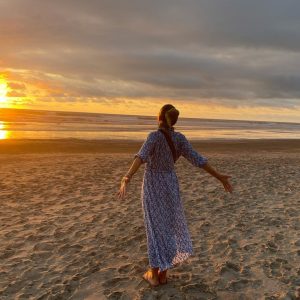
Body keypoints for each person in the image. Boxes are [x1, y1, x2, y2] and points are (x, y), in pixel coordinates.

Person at [117, 104, 233, 287]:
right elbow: (198, 160)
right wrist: (219, 177)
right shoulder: (179, 138)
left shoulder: (154, 137)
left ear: (159, 118)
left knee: (155, 228)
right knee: (168, 226)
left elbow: (140, 157)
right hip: (170, 184)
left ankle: (154, 276)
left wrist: (127, 177)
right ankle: (163, 274)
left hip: (153, 185)